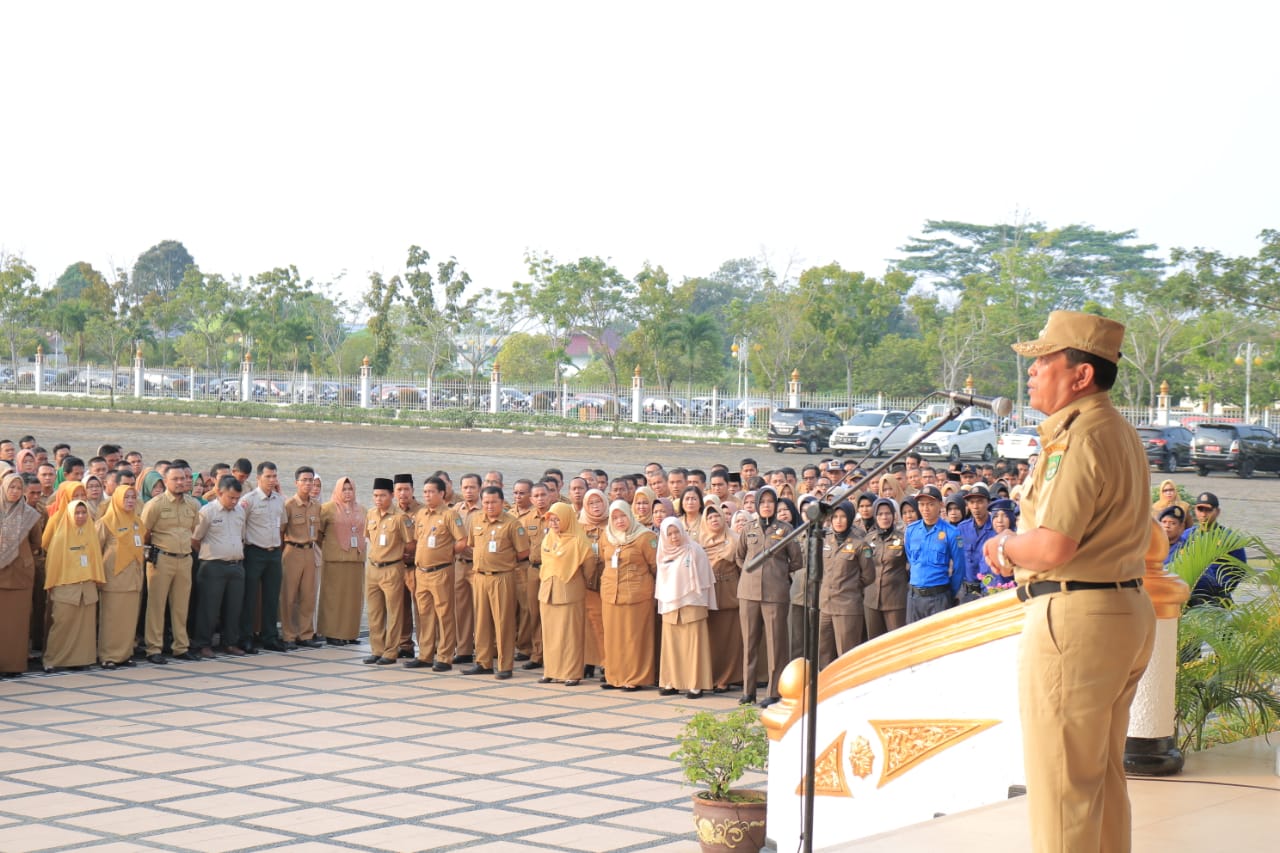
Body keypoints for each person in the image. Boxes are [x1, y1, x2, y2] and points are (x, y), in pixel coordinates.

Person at [982, 310, 1155, 853]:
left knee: (1062, 791)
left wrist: (1003, 547)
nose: (1030, 372)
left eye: (1043, 361)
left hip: (1074, 620)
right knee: (1097, 780)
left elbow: (1054, 545)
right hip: (1121, 612)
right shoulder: (1118, 431)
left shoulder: (1078, 437)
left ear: (1081, 375)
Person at [735, 486, 802, 708]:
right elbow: (740, 556)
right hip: (749, 592)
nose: (766, 506)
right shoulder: (749, 528)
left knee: (776, 643)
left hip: (775, 592)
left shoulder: (786, 529)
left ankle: (773, 691)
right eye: (762, 502)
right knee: (749, 643)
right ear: (756, 506)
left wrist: (779, 574)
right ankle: (749, 691)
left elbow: (796, 560)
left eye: (770, 502)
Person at [463, 485, 529, 679]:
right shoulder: (476, 521)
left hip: (502, 577)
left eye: (493, 502)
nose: (489, 506)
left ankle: (504, 664)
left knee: (503, 622)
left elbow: (523, 552)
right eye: (486, 502)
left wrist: (504, 562)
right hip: (480, 576)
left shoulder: (512, 523)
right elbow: (472, 545)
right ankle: (483, 662)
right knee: (481, 621)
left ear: (502, 502)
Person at [139, 464, 200, 663]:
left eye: (183, 478)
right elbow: (144, 534)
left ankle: (180, 647)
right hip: (161, 559)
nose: (181, 482)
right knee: (156, 605)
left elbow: (194, 530)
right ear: (166, 482)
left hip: (184, 559)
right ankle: (153, 648)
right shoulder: (155, 504)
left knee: (181, 606)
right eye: (175, 479)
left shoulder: (192, 504)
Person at [598, 500, 658, 691]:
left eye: (623, 516)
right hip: (611, 594)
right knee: (613, 637)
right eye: (615, 517)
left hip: (637, 594)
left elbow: (655, 566)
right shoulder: (606, 536)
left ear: (630, 515)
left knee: (634, 637)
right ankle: (614, 676)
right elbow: (602, 559)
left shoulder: (645, 537)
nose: (619, 521)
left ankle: (635, 677)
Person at [654, 517, 715, 699]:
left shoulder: (694, 550)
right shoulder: (663, 552)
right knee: (672, 646)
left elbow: (704, 579)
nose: (674, 537)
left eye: (676, 532)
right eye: (669, 533)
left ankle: (695, 684)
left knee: (693, 646)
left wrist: (697, 598)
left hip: (692, 603)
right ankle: (671, 682)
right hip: (670, 604)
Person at [43, 500, 106, 671]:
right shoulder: (61, 536)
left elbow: (96, 560)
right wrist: (52, 586)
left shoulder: (91, 533)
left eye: (83, 513)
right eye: (77, 513)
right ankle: (53, 660)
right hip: (66, 587)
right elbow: (53, 564)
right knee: (62, 624)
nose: (80, 516)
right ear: (70, 514)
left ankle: (81, 660)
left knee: (85, 626)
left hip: (87, 586)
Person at [538, 502, 596, 686]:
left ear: (568, 519)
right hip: (548, 591)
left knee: (570, 634)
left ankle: (571, 673)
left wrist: (577, 581)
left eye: (557, 520)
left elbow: (589, 567)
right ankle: (551, 671)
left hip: (570, 590)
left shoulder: (579, 540)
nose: (554, 523)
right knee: (550, 634)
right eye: (551, 520)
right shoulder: (548, 538)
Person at [406, 476, 461, 671]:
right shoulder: (421, 514)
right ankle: (425, 655)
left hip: (441, 571)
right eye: (425, 492)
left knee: (445, 614)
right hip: (421, 572)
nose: (427, 495)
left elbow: (462, 541)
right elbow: (417, 540)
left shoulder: (450, 515)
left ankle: (445, 656)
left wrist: (447, 553)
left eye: (431, 492)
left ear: (441, 493)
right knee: (424, 615)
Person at [190, 475, 247, 658]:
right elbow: (195, 539)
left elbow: (242, 536)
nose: (234, 501)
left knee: (234, 607)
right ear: (219, 492)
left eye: (237, 497)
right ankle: (203, 643)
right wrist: (210, 554)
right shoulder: (208, 511)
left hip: (236, 565)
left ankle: (230, 642)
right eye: (231, 497)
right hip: (213, 565)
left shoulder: (240, 511)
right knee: (209, 607)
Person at [96, 483, 146, 668]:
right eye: (126, 497)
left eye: (133, 497)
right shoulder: (106, 522)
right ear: (117, 499)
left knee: (129, 618)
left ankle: (125, 654)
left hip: (133, 578)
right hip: (113, 579)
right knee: (111, 618)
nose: (130, 501)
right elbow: (95, 550)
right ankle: (108, 656)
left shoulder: (137, 522)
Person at [818, 501, 873, 667]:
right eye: (835, 517)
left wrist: (850, 587)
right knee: (824, 653)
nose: (838, 520)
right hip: (826, 605)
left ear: (849, 518)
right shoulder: (826, 540)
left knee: (846, 656)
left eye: (842, 516)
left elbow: (869, 576)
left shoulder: (860, 544)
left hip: (847, 606)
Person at [0, 472, 42, 677]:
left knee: (17, 623)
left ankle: (14, 666)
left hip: (20, 576)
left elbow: (37, 542)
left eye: (18, 488)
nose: (15, 492)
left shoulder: (30, 514)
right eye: (11, 487)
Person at [903, 485, 965, 623]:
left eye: (930, 504)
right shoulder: (911, 530)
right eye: (921, 504)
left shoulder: (951, 532)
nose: (925, 509)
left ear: (941, 505)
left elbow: (959, 568)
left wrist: (949, 593)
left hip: (938, 596)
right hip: (914, 596)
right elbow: (911, 559)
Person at [363, 477, 409, 665]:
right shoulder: (371, 514)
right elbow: (368, 537)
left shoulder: (400, 517)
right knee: (374, 612)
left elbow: (411, 543)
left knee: (394, 612)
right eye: (375, 495)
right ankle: (377, 649)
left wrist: (398, 555)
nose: (378, 499)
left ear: (392, 495)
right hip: (373, 568)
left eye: (382, 495)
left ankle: (391, 651)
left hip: (392, 569)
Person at [318, 477, 366, 645]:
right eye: (344, 489)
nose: (347, 492)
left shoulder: (362, 510)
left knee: (353, 598)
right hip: (334, 560)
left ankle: (350, 633)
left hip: (356, 560)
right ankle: (332, 633)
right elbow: (318, 533)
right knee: (333, 598)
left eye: (350, 489)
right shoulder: (327, 509)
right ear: (338, 490)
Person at [281, 466, 323, 649]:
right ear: (296, 483)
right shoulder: (289, 505)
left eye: (310, 480)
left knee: (308, 595)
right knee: (289, 596)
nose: (308, 483)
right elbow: (281, 531)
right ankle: (289, 635)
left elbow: (320, 532)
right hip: (292, 550)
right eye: (304, 480)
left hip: (309, 551)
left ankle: (305, 634)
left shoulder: (316, 506)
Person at [1181, 491, 1248, 607]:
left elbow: (1240, 567)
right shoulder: (1187, 536)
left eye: (1208, 510)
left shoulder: (1228, 538)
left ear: (1217, 512)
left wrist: (1224, 587)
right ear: (1195, 510)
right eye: (1200, 509)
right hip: (1190, 598)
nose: (1203, 514)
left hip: (1217, 599)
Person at [700, 504, 741, 693]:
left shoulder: (735, 539)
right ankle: (711, 676)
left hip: (730, 593)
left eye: (717, 516)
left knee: (729, 640)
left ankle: (726, 678)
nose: (714, 520)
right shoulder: (699, 541)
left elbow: (742, 568)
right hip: (707, 595)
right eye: (710, 517)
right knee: (712, 640)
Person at [861, 497, 908, 639]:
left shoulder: (903, 539)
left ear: (894, 515)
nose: (884, 517)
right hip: (871, 599)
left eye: (888, 513)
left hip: (895, 600)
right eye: (880, 514)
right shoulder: (868, 539)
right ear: (875, 516)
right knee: (873, 643)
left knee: (896, 642)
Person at [579, 488, 609, 679]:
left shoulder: (613, 522)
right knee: (588, 624)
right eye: (591, 503)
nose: (595, 507)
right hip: (586, 582)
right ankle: (588, 661)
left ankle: (607, 663)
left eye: (599, 502)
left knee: (605, 624)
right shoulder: (579, 526)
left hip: (607, 581)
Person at [956, 484, 995, 604]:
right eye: (972, 502)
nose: (976, 506)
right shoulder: (962, 528)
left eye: (980, 502)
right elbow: (957, 557)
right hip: (967, 592)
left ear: (988, 503)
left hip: (990, 590)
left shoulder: (996, 527)